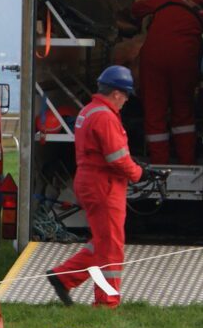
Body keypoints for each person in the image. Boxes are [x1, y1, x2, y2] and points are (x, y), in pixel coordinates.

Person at [46, 66, 144, 308]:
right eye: (126, 94)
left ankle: (63, 277)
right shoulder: (106, 117)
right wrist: (138, 172)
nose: (127, 100)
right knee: (110, 246)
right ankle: (106, 301)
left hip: (92, 182)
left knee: (101, 242)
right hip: (105, 186)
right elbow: (117, 158)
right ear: (117, 93)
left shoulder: (89, 111)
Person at [129, 0, 203, 165]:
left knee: (154, 112)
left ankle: (159, 165)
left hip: (153, 58)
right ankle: (187, 163)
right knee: (183, 113)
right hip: (184, 59)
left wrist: (141, 22)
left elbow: (136, 8)